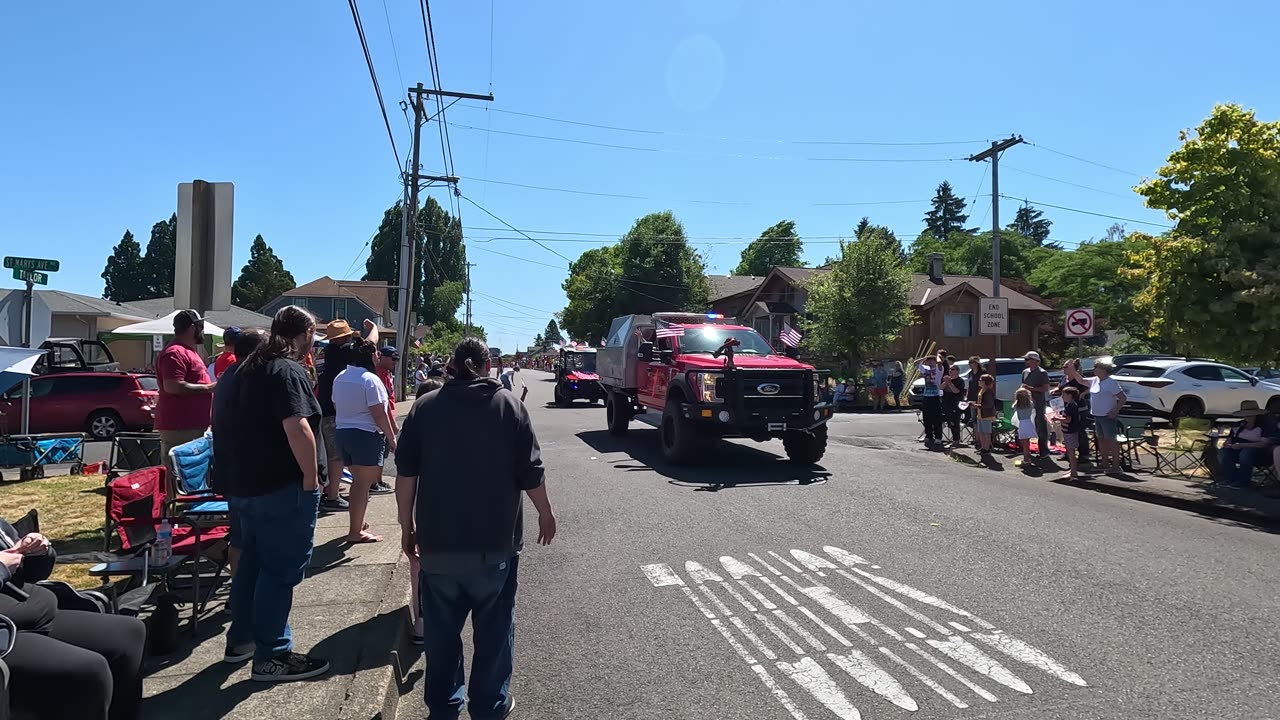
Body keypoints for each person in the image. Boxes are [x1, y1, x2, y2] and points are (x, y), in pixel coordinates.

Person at [395, 337, 556, 719]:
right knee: (495, 632)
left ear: (451, 366)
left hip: (438, 545)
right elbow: (530, 473)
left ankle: (445, 708)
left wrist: (407, 526)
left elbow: (406, 477)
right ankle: (488, 706)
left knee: (441, 636)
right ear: (488, 366)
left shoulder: (425, 408)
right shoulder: (509, 406)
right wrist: (545, 513)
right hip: (494, 545)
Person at [223, 305, 330, 682]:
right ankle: (273, 654)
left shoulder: (241, 371)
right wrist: (309, 478)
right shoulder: (285, 370)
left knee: (250, 566)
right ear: (302, 334)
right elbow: (297, 427)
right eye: (313, 332)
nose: (314, 340)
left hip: (244, 487)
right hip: (281, 488)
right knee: (279, 572)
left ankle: (242, 640)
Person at [0, 516, 146, 720]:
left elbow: (31, 574)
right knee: (90, 670)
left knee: (130, 633)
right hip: (6, 635)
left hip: (34, 613)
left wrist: (39, 550)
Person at [211, 327, 269, 575]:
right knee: (256, 540)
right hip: (251, 473)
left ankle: (238, 591)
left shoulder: (228, 375)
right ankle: (248, 593)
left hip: (230, 470)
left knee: (239, 538)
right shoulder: (252, 378)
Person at [333, 340, 398, 544]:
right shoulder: (371, 380)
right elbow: (379, 413)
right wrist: (392, 438)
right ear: (371, 356)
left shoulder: (340, 377)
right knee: (362, 484)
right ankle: (355, 531)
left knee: (357, 482)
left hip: (343, 432)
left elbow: (336, 403)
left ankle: (357, 522)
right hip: (366, 435)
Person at [317, 318, 379, 512]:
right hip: (336, 410)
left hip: (323, 405)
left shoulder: (324, 352)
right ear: (345, 337)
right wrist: (374, 328)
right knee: (336, 457)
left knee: (328, 454)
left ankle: (329, 489)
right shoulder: (343, 351)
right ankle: (332, 497)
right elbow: (370, 344)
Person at [404, 376, 444, 647]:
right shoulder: (451, 426)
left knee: (417, 562)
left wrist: (405, 523)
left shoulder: (414, 426)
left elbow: (406, 477)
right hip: (443, 506)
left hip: (422, 503)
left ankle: (421, 621)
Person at [155, 309, 216, 477]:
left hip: (193, 425)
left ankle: (187, 503)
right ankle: (171, 503)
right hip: (180, 426)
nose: (202, 330)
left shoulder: (189, 351)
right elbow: (172, 386)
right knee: (176, 474)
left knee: (192, 474)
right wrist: (210, 388)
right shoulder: (175, 353)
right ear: (191, 328)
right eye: (200, 326)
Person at [1073, 359, 1126, 475]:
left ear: (1104, 370)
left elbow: (1122, 397)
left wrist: (1115, 410)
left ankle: (1116, 465)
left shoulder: (1111, 382)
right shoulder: (1095, 380)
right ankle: (1105, 463)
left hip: (1107, 416)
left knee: (1111, 440)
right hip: (1097, 415)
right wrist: (1073, 370)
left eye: (1097, 367)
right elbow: (1081, 380)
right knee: (1101, 440)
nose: (1094, 369)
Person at [1217, 401, 1273, 488]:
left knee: (1246, 453)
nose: (1247, 418)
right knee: (1223, 452)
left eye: (1250, 415)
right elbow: (1230, 439)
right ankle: (1231, 478)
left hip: (1260, 454)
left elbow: (1264, 444)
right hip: (1238, 450)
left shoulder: (1264, 426)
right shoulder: (1238, 425)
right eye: (1245, 415)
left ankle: (1243, 481)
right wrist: (1227, 444)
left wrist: (1243, 445)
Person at [1055, 359, 1092, 464]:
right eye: (1063, 366)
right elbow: (1059, 388)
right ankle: (1068, 453)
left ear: (1073, 368)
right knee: (1067, 431)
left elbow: (1090, 386)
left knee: (1079, 431)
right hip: (1066, 408)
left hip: (1079, 409)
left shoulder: (1079, 379)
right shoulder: (1064, 378)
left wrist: (1084, 393)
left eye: (1066, 367)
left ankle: (1084, 454)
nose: (1064, 369)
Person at [1021, 351, 1051, 457]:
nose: (1026, 362)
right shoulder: (1025, 372)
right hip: (1026, 402)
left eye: (1027, 359)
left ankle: (1043, 450)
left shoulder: (1042, 372)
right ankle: (1025, 449)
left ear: (1035, 361)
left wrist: (1031, 388)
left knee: (1040, 425)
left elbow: (1045, 388)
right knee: (1025, 423)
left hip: (1038, 402)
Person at [1057, 387, 1083, 481]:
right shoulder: (1068, 405)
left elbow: (1068, 419)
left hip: (1071, 431)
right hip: (1067, 431)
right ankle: (1072, 469)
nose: (1062, 397)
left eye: (1064, 395)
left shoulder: (1071, 406)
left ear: (1070, 395)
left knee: (1071, 452)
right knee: (1069, 450)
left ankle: (1074, 472)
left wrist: (1057, 419)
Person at [918, 355, 944, 447]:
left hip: (935, 396)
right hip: (926, 396)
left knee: (936, 418)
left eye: (931, 361)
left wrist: (937, 356)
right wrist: (924, 358)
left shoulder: (938, 370)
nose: (929, 362)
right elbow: (916, 363)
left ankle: (938, 437)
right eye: (928, 361)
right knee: (927, 418)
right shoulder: (925, 369)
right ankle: (928, 435)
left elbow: (940, 363)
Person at [942, 365, 965, 446]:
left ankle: (956, 440)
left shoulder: (960, 381)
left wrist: (949, 383)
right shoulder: (948, 380)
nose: (950, 371)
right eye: (950, 369)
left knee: (955, 422)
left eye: (953, 369)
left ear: (957, 371)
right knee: (950, 422)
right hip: (947, 404)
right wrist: (946, 382)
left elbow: (956, 391)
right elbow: (941, 387)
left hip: (955, 404)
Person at [975, 374, 997, 455]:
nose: (979, 381)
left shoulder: (988, 392)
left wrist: (976, 406)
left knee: (986, 433)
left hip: (986, 415)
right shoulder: (981, 390)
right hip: (980, 415)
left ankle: (986, 449)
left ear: (985, 382)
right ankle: (983, 447)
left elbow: (989, 405)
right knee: (981, 432)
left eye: (980, 380)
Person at [1014, 387, 1035, 466]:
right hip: (1029, 422)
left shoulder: (1017, 404)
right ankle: (1027, 458)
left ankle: (1026, 459)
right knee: (1027, 442)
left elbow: (1014, 408)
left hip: (1022, 424)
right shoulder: (1030, 403)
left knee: (1024, 443)